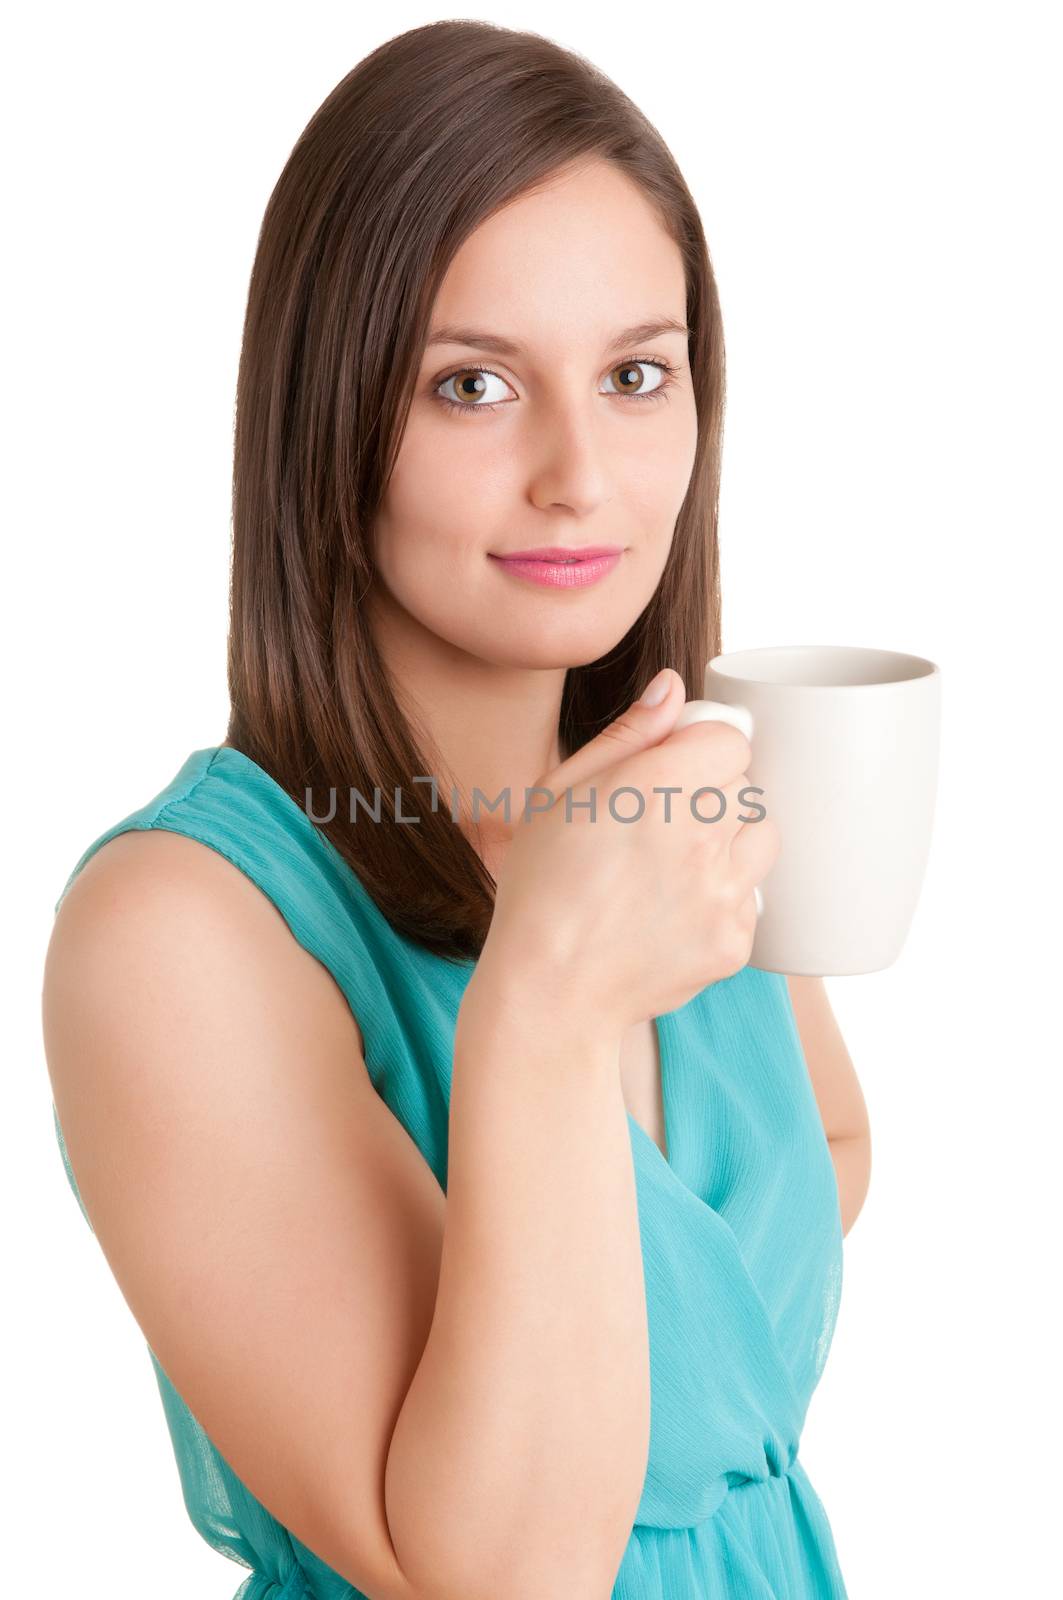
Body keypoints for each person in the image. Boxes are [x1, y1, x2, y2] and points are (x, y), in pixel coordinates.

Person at [42, 20, 871, 1600]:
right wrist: (542, 1009)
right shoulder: (177, 934)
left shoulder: (681, 796)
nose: (580, 474)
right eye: (473, 385)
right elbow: (499, 1577)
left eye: (637, 373)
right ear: (326, 414)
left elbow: (820, 1143)